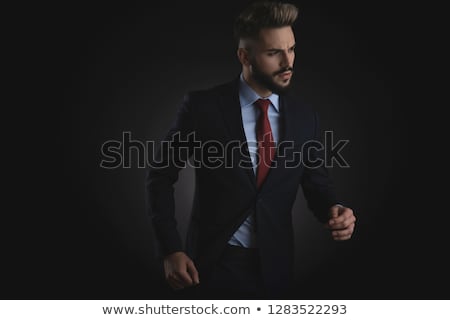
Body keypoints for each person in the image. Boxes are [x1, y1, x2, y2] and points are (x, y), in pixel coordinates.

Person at [146, 1, 356, 299]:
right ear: (245, 56)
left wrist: (334, 210)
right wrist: (170, 249)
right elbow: (161, 175)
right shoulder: (202, 107)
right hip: (209, 265)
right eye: (274, 53)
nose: (288, 62)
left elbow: (316, 183)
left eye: (292, 49)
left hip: (276, 268)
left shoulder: (305, 117)